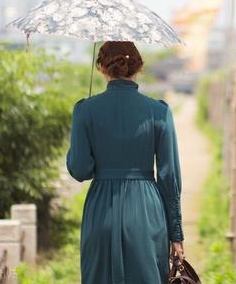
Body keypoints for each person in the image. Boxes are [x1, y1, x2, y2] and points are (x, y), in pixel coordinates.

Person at [66, 40, 185, 284]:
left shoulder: (85, 110)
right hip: (146, 210)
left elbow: (80, 170)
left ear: (101, 67)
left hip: (101, 210)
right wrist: (176, 233)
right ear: (138, 67)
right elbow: (169, 176)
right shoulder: (159, 111)